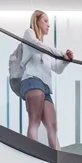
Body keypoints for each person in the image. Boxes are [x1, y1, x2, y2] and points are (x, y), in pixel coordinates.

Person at [10, 9, 73, 149]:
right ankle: (32, 155)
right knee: (34, 121)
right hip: (32, 80)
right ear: (36, 21)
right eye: (45, 21)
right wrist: (61, 53)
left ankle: (57, 159)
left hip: (45, 87)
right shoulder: (29, 33)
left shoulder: (46, 48)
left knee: (52, 125)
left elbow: (57, 68)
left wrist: (66, 60)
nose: (48, 25)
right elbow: (37, 45)